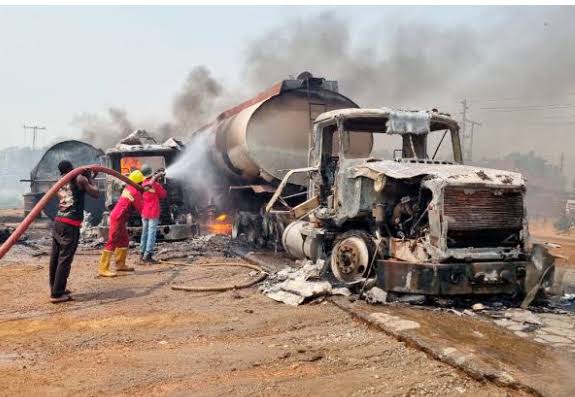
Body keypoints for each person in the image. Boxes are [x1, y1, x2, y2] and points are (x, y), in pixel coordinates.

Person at [49, 161, 99, 303]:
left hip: (58, 222)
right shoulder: (79, 179)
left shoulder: (59, 181)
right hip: (70, 224)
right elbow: (95, 193)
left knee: (56, 258)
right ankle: (57, 294)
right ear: (72, 168)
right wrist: (90, 178)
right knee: (65, 259)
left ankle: (55, 288)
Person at [98, 170, 144, 277]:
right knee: (112, 241)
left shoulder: (129, 188)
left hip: (120, 218)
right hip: (118, 218)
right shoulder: (135, 192)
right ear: (139, 183)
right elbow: (141, 209)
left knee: (124, 240)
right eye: (141, 183)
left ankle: (120, 264)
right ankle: (103, 268)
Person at [140, 164, 167, 264]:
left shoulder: (143, 183)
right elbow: (163, 194)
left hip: (145, 212)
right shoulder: (155, 185)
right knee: (151, 233)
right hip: (153, 212)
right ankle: (148, 255)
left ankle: (142, 253)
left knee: (145, 233)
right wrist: (159, 182)